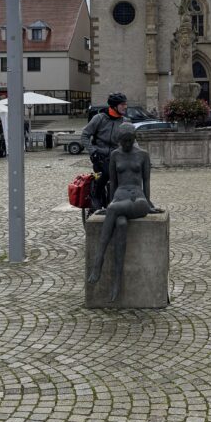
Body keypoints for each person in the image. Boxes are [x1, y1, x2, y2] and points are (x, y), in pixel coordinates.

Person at [87, 124, 160, 302]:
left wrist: (149, 204)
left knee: (113, 210)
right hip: (120, 198)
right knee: (120, 224)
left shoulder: (143, 155)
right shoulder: (115, 155)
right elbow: (113, 183)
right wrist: (111, 201)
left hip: (138, 200)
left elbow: (146, 182)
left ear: (134, 138)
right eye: (123, 141)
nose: (126, 144)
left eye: (129, 140)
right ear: (118, 140)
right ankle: (116, 282)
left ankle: (98, 261)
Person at [81, 92, 130, 209]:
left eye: (125, 104)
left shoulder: (125, 121)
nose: (125, 107)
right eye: (122, 104)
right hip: (100, 155)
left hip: (117, 156)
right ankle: (96, 196)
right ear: (114, 106)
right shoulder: (99, 118)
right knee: (107, 174)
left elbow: (132, 140)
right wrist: (93, 151)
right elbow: (84, 136)